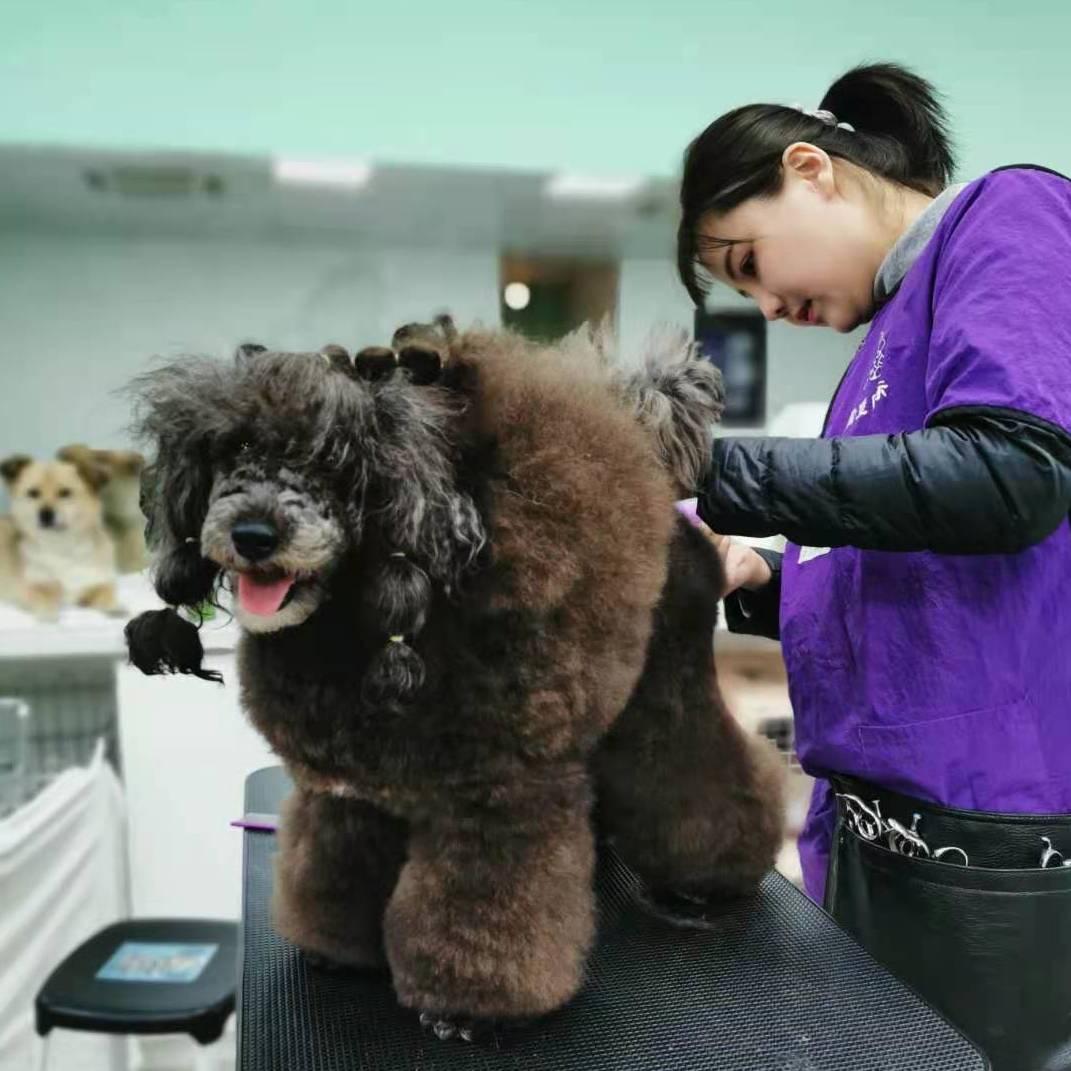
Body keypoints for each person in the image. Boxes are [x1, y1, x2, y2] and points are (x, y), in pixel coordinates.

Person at [677, 62, 1071, 1071]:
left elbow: (1012, 476)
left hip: (987, 843)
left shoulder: (1010, 214)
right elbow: (901, 553)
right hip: (872, 835)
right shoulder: (881, 345)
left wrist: (712, 468)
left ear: (810, 170)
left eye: (748, 261)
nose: (765, 306)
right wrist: (762, 573)